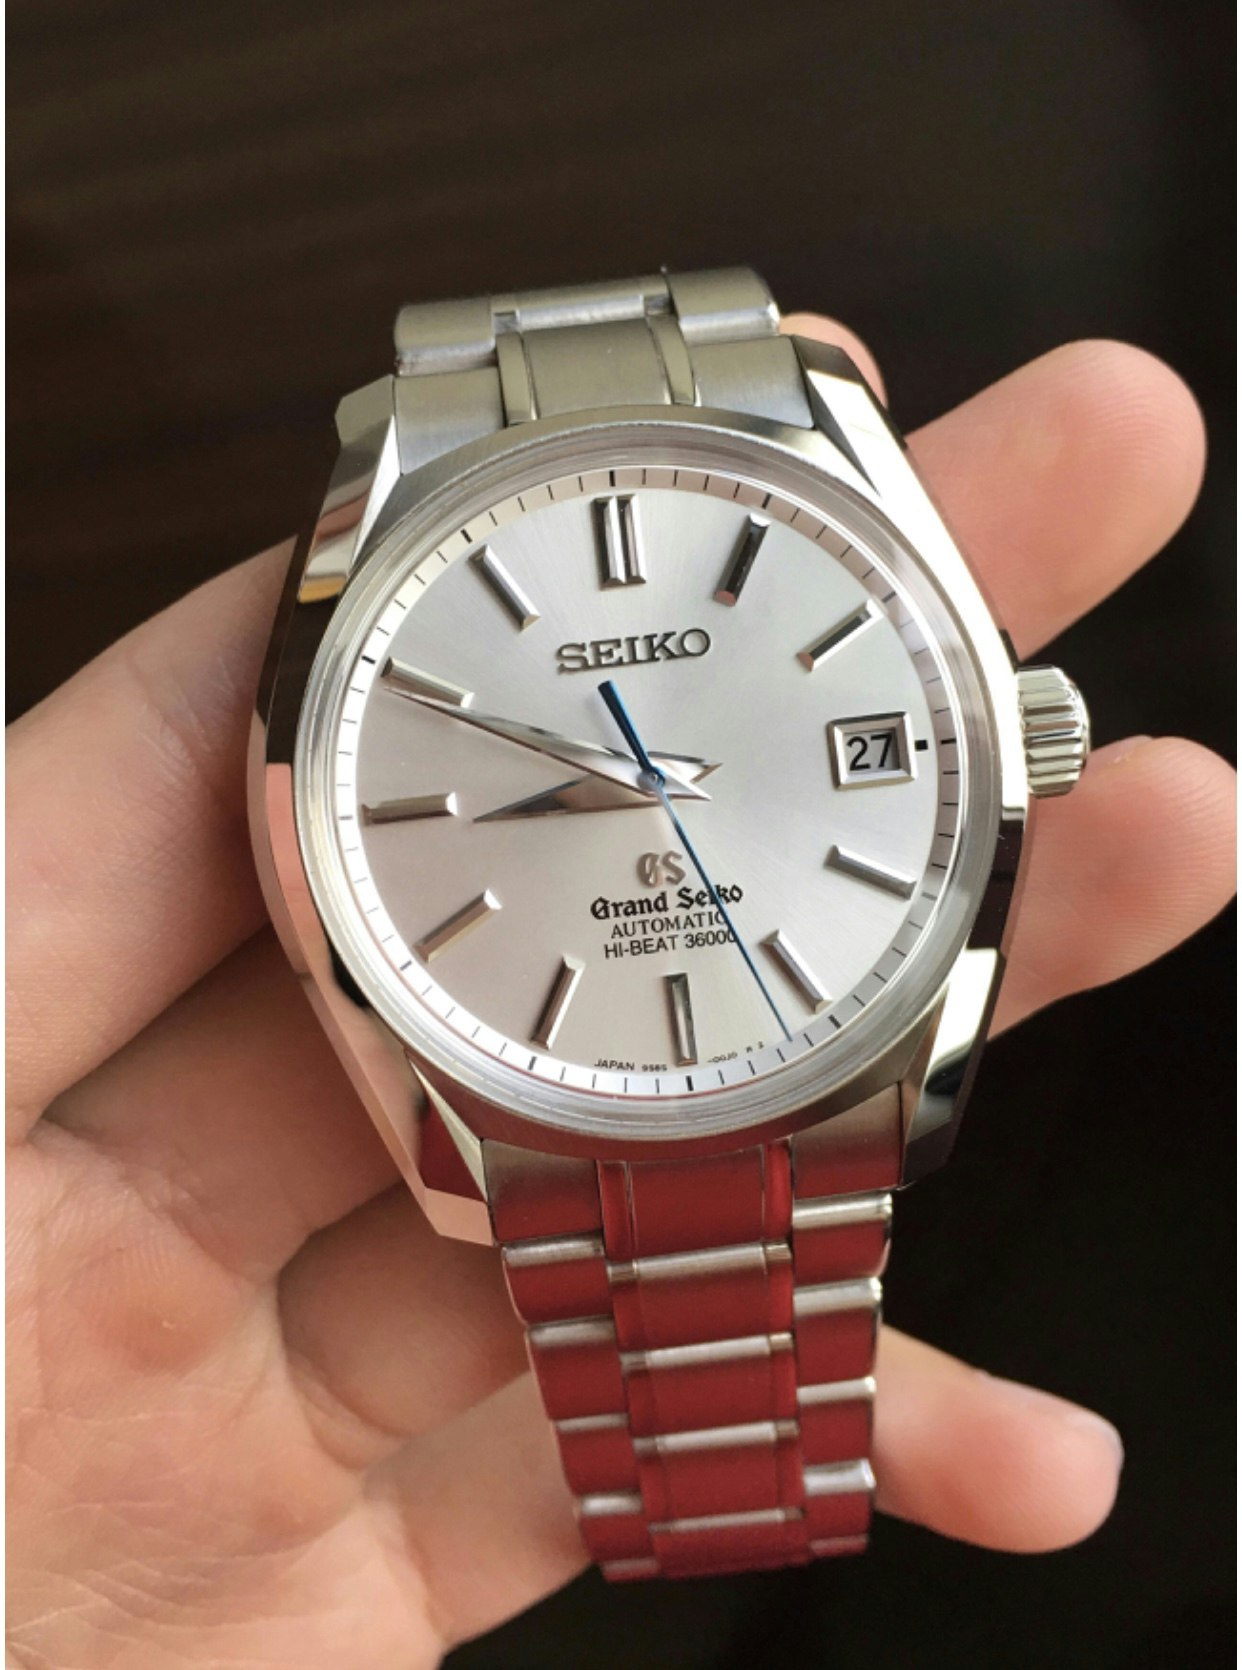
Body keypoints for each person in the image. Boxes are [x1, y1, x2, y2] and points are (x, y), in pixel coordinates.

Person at [7, 316, 1235, 1667]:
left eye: (654, 779)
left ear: (1016, 727)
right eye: (631, 780)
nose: (652, 788)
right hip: (547, 1063)